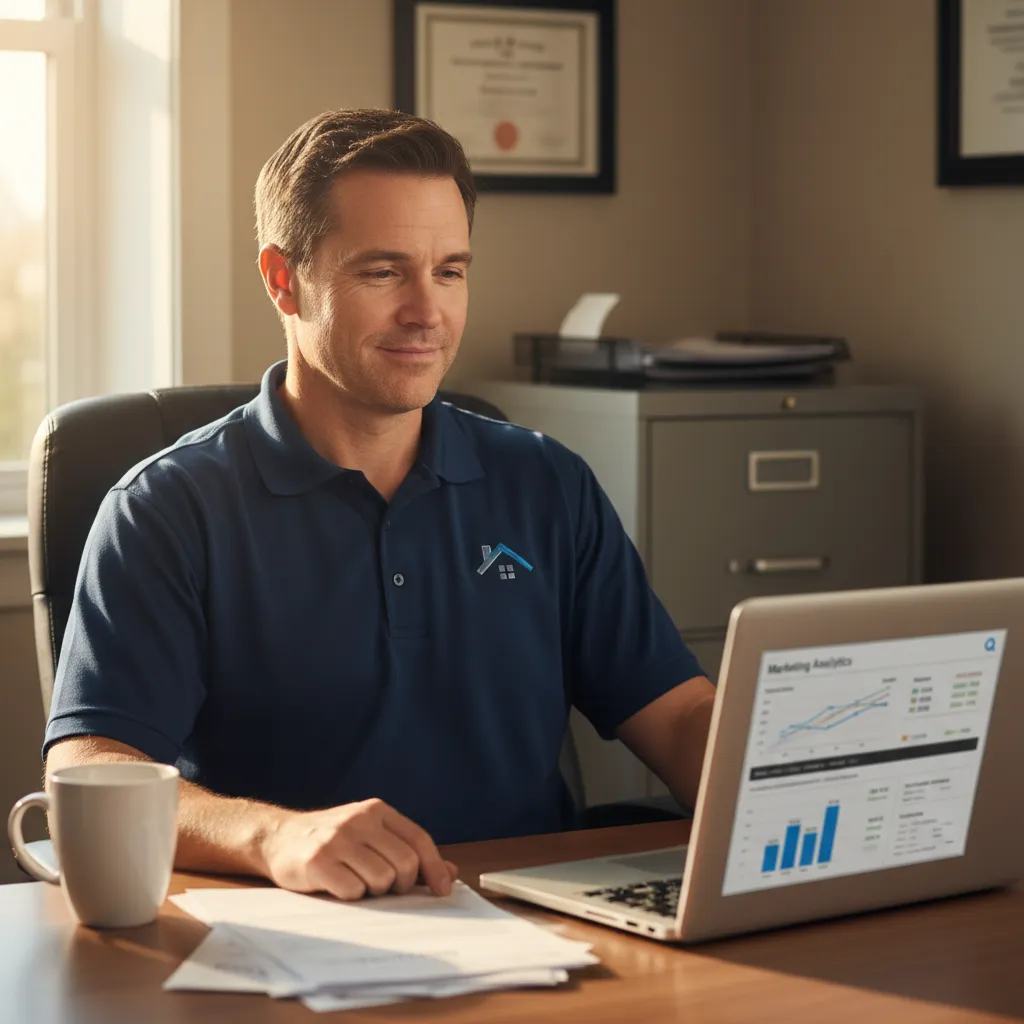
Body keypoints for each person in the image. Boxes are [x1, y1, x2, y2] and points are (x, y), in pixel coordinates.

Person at [43, 109, 716, 903]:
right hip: (297, 941)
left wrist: (823, 780)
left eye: (451, 271)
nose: (427, 312)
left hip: (540, 924)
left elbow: (676, 719)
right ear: (282, 279)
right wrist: (276, 835)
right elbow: (91, 772)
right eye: (382, 272)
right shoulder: (167, 508)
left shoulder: (546, 483)